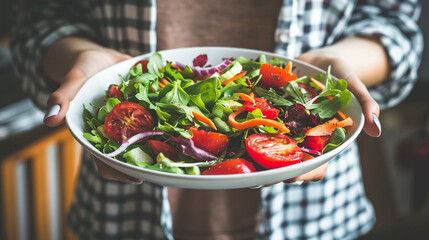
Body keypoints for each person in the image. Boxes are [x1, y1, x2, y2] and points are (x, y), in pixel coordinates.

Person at [10, 0, 422, 239]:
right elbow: (36, 18)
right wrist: (85, 61)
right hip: (125, 213)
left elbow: (395, 21)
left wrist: (342, 63)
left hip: (312, 216)